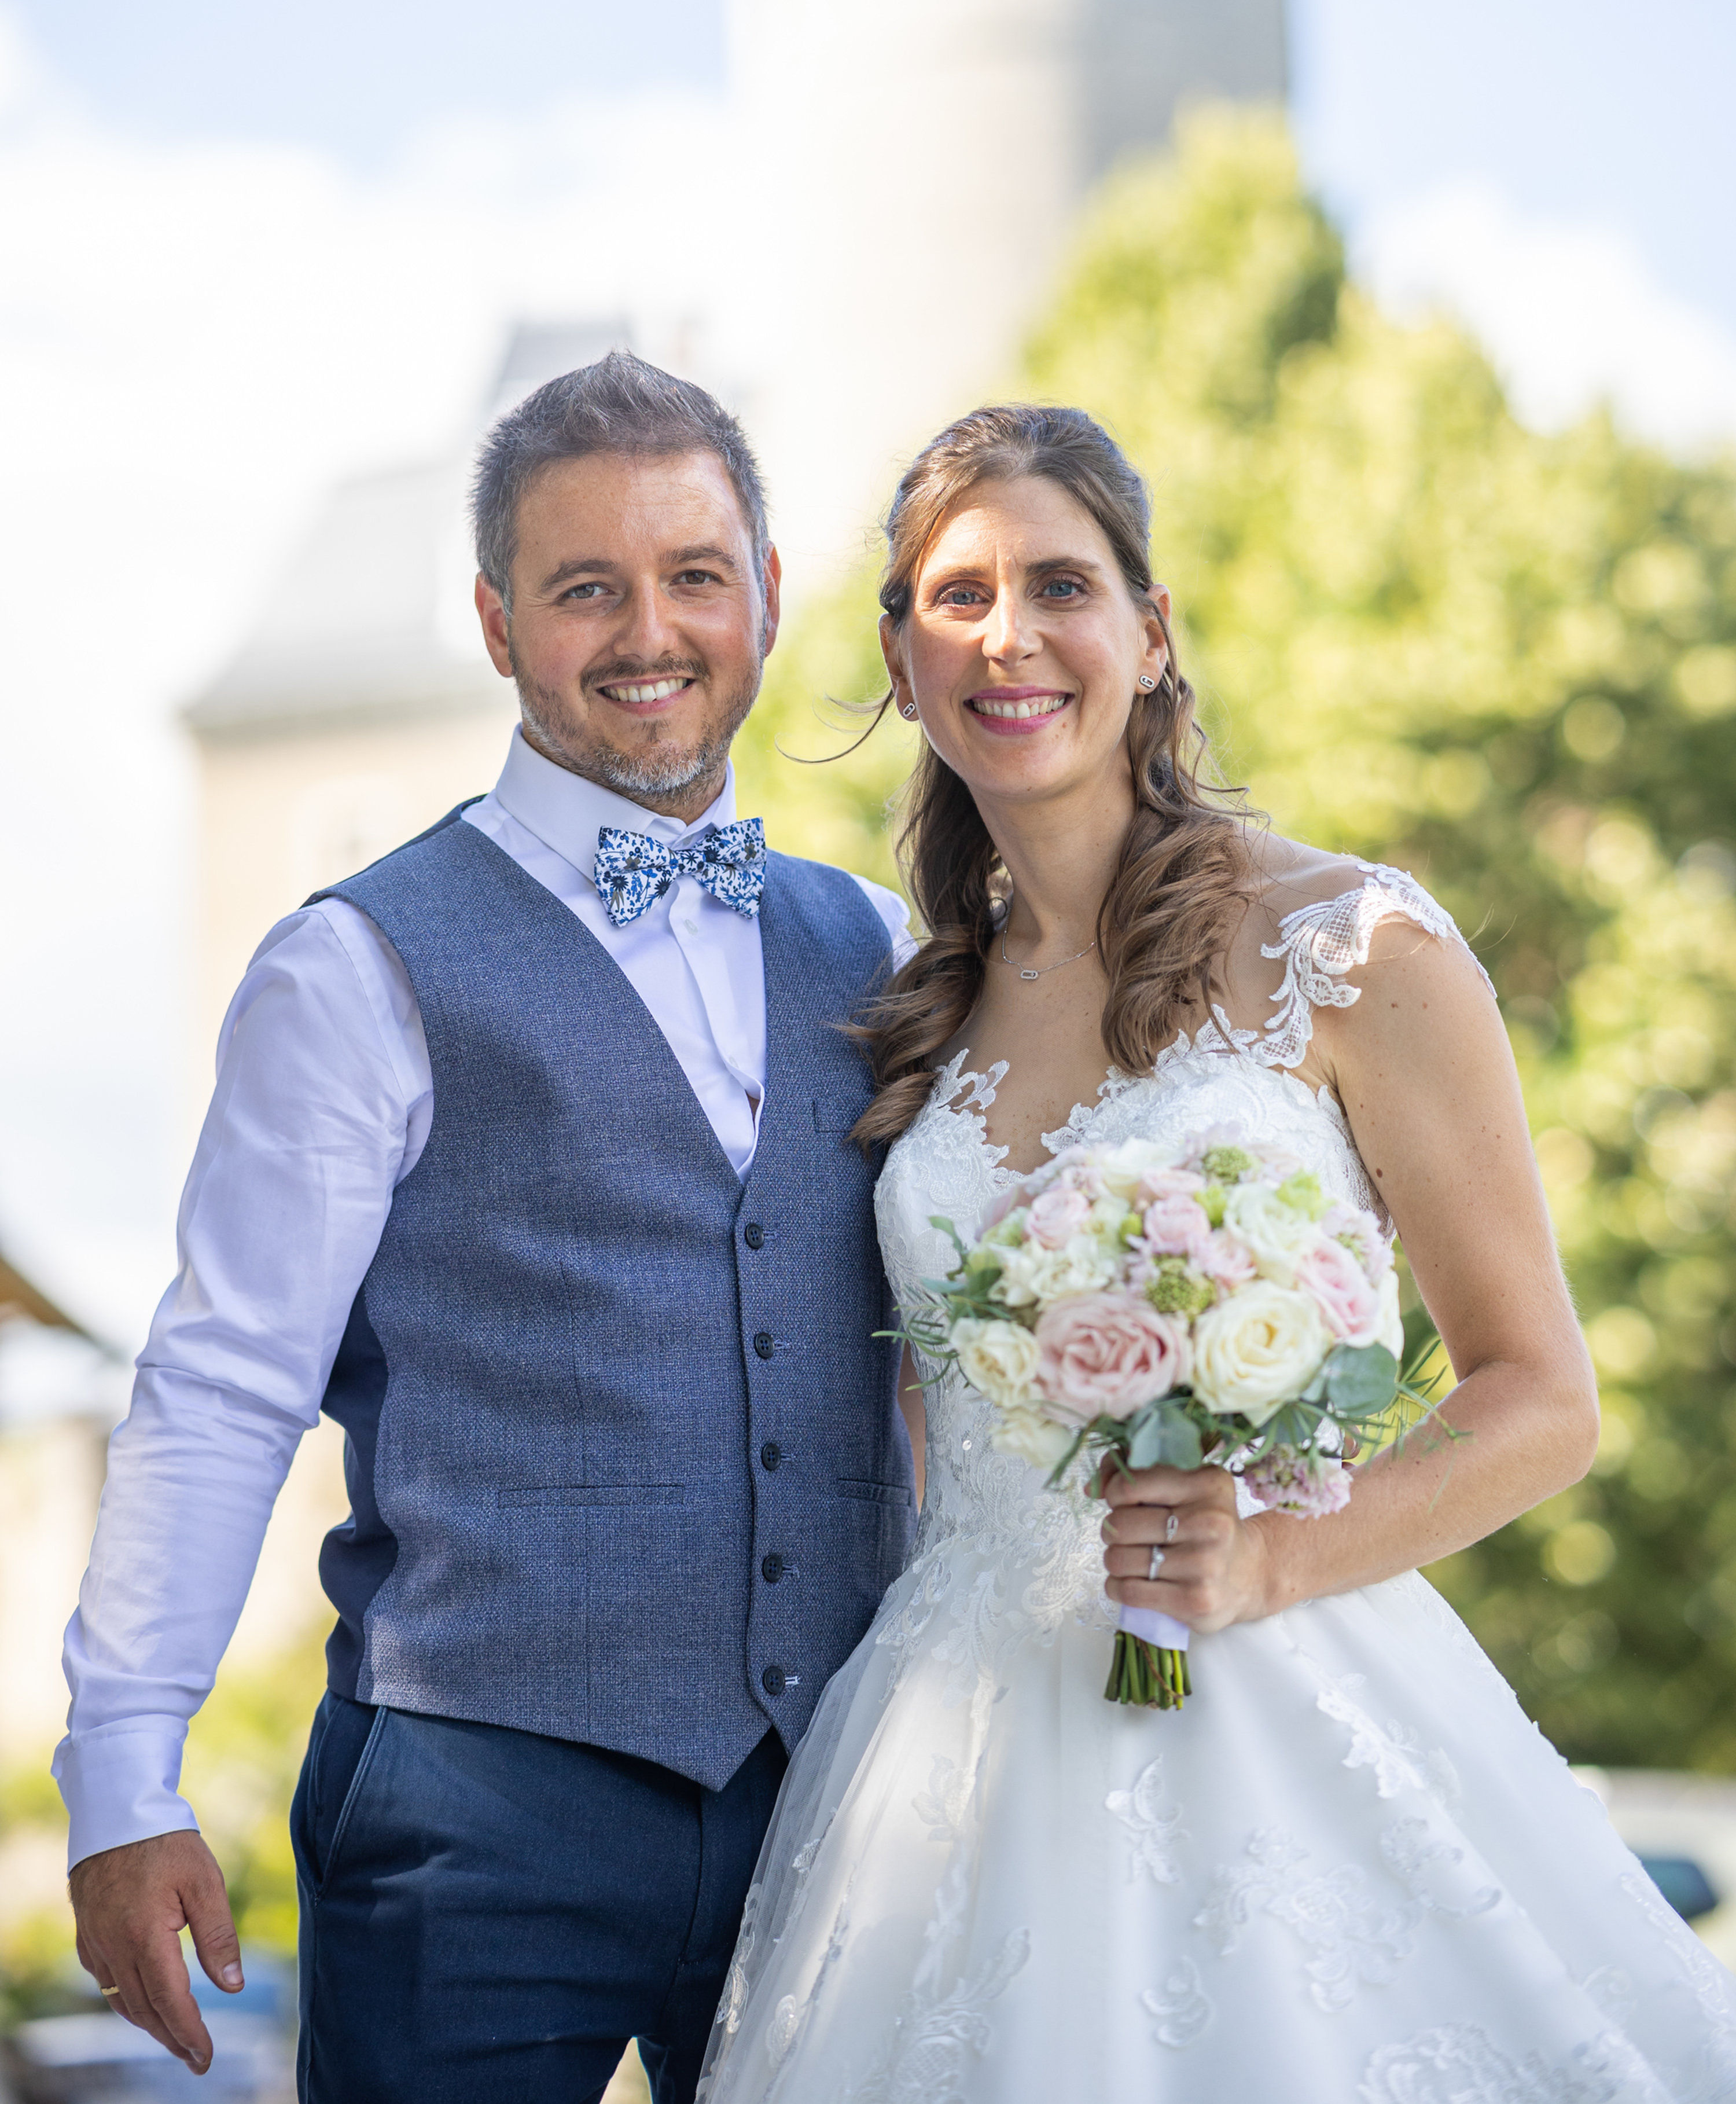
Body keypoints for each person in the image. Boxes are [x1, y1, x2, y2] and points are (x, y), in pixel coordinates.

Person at [697, 402, 1736, 2102]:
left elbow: (1544, 1396)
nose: (1008, 635)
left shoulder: (1352, 946)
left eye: (1060, 583)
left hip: (1277, 1693)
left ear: (1152, 631)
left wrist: (1267, 1556)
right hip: (948, 1764)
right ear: (897, 652)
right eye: (953, 597)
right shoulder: (914, 1021)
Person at [56, 354, 919, 2103]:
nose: (648, 629)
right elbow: (224, 1383)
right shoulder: (355, 962)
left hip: (841, 1799)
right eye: (583, 585)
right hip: (473, 1815)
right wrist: (123, 1775)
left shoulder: (884, 946)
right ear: (497, 619)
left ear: (765, 592)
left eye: (692, 574)